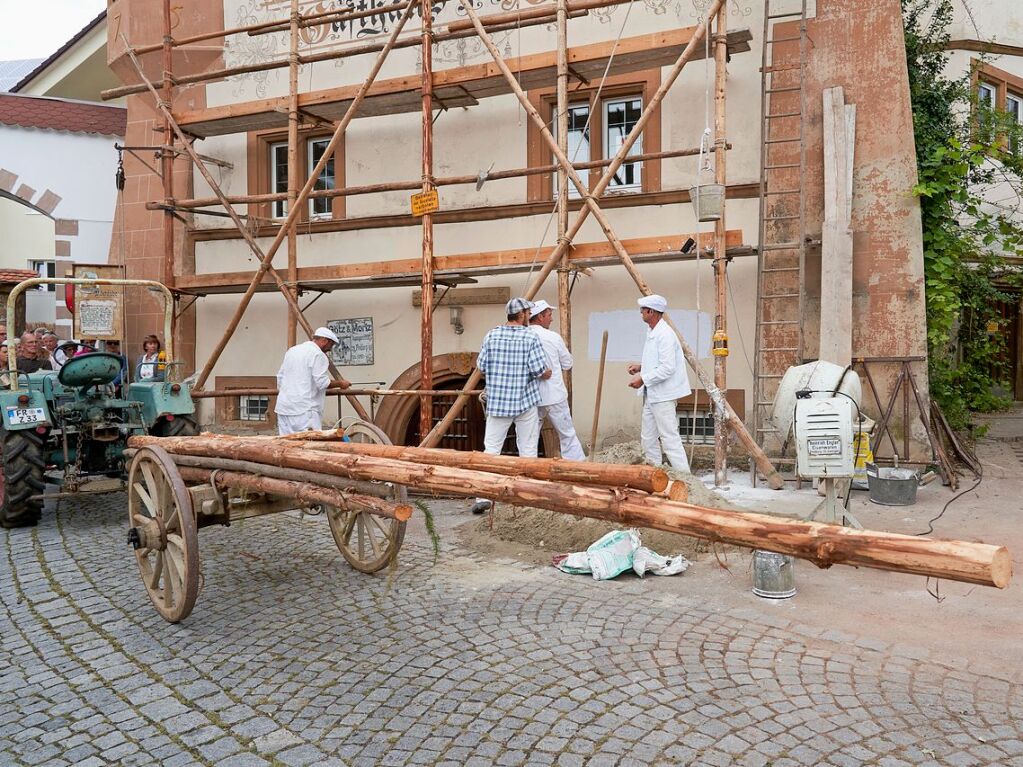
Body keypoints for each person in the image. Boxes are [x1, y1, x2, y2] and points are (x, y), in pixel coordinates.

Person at [471, 298, 552, 514]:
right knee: (527, 448)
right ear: (523, 314)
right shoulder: (529, 336)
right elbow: (537, 369)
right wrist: (548, 372)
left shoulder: (491, 335)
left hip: (498, 402)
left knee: (491, 450)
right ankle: (528, 495)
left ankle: (483, 496)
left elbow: (481, 366)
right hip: (524, 401)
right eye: (527, 312)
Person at [627, 294, 692, 472]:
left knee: (669, 438)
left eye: (643, 310)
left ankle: (686, 479)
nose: (641, 313)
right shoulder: (653, 332)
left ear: (651, 312)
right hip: (652, 394)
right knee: (648, 439)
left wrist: (642, 379)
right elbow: (657, 362)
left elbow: (668, 368)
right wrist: (641, 367)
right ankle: (654, 474)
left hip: (663, 395)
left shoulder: (665, 334)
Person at [528, 299, 585, 461]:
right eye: (549, 315)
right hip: (554, 394)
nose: (551, 318)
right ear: (540, 317)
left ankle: (528, 469)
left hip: (532, 396)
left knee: (530, 438)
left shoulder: (523, 336)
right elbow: (568, 363)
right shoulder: (552, 337)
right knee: (567, 435)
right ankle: (576, 467)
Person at [275, 327, 351, 436]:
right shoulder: (318, 355)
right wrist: (340, 383)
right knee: (309, 445)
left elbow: (280, 377)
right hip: (304, 411)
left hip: (284, 407)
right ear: (324, 341)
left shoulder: (292, 351)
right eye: (331, 345)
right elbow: (322, 383)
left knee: (285, 444)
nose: (330, 349)